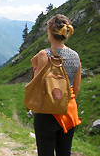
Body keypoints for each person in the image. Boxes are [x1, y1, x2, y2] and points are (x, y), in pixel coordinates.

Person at [30, 14, 82, 156]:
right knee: (65, 152)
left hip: (47, 112)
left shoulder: (44, 55)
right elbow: (76, 88)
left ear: (50, 31)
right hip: (69, 111)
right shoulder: (76, 56)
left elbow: (37, 86)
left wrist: (35, 67)